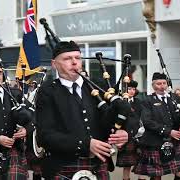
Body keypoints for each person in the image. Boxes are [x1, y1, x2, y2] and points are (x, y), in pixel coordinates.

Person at [35, 41, 129, 179]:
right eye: (67, 58)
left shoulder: (97, 86)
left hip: (98, 165)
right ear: (54, 64)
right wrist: (85, 144)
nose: (74, 62)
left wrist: (124, 131)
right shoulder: (47, 92)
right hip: (63, 166)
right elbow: (45, 136)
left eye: (77, 58)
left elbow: (125, 114)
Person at [133, 72, 180, 180]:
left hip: (174, 142)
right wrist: (168, 131)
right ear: (153, 85)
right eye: (159, 83)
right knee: (156, 176)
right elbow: (147, 121)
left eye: (164, 83)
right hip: (155, 142)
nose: (162, 86)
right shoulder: (147, 100)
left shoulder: (174, 98)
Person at [116, 80, 146, 180]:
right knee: (127, 165)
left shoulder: (138, 102)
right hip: (125, 136)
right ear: (125, 89)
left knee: (141, 164)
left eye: (133, 89)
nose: (132, 91)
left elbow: (142, 117)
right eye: (129, 89)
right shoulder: (120, 102)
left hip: (138, 136)